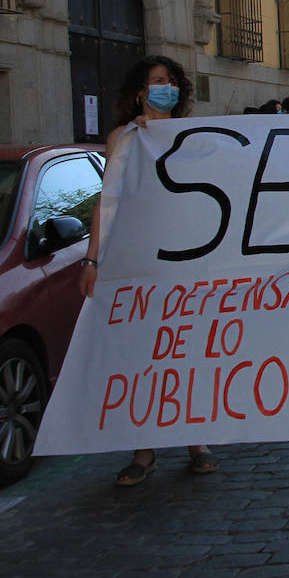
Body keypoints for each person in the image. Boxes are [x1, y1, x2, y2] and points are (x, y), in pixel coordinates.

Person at [78, 55, 217, 485]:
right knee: (144, 354)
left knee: (186, 350)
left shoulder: (194, 138)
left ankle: (196, 442)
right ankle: (144, 451)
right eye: (159, 81)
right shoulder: (124, 139)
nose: (167, 88)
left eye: (173, 81)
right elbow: (109, 201)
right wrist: (91, 258)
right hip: (138, 263)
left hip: (187, 260)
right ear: (140, 91)